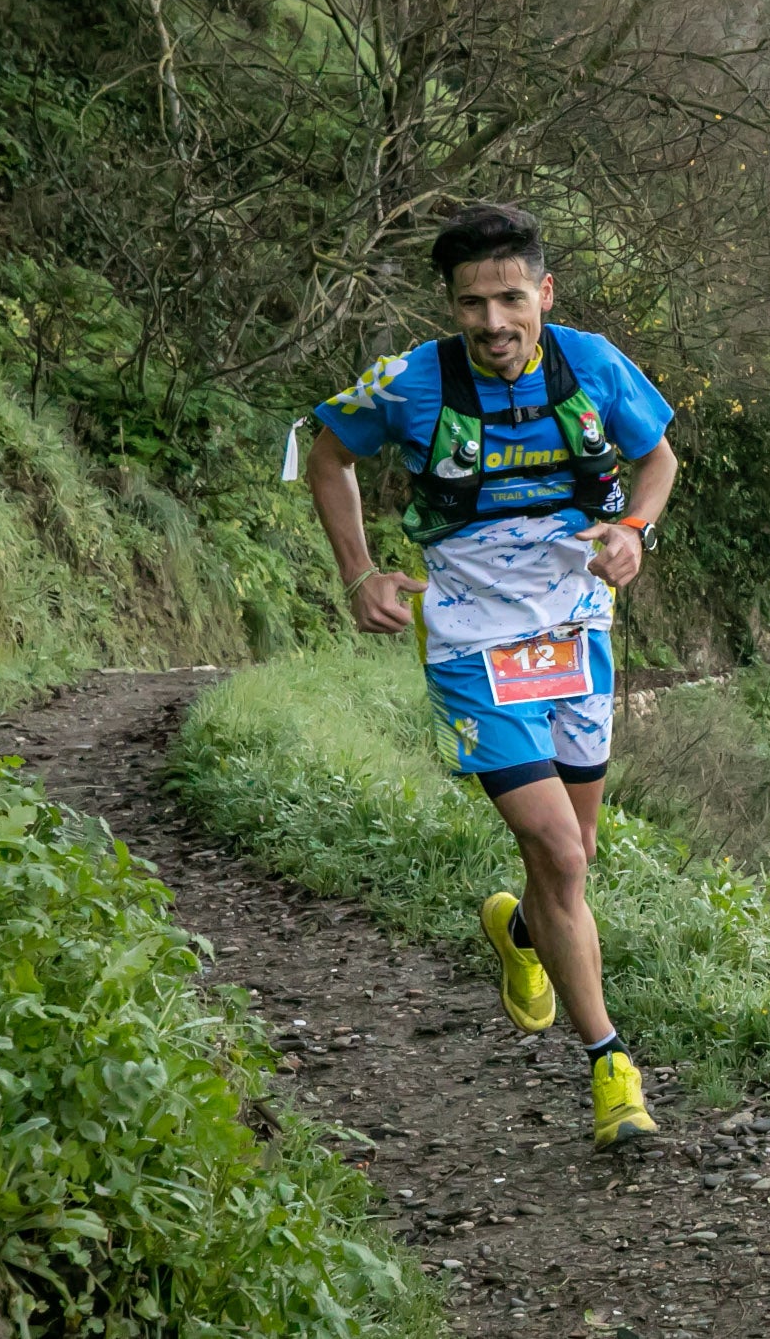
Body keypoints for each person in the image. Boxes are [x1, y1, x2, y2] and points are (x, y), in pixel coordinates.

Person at [304, 203, 679, 1149]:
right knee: (556, 850)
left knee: (573, 866)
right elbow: (329, 453)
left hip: (577, 633)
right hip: (471, 643)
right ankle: (612, 1072)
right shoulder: (410, 382)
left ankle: (522, 936)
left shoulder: (592, 365)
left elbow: (657, 458)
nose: (494, 323)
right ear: (452, 306)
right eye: (473, 304)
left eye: (512, 298)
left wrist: (631, 533)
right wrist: (359, 573)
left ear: (544, 293)